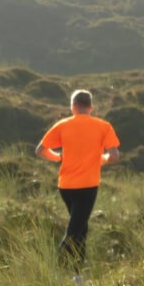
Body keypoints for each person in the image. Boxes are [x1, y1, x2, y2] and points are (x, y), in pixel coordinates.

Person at [36, 90, 120, 274]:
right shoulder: (103, 126)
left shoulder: (63, 125)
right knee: (75, 231)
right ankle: (52, 269)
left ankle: (76, 275)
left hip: (65, 186)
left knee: (81, 229)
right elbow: (114, 156)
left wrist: (58, 158)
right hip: (87, 186)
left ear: (73, 107)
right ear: (91, 107)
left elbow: (40, 150)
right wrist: (101, 159)